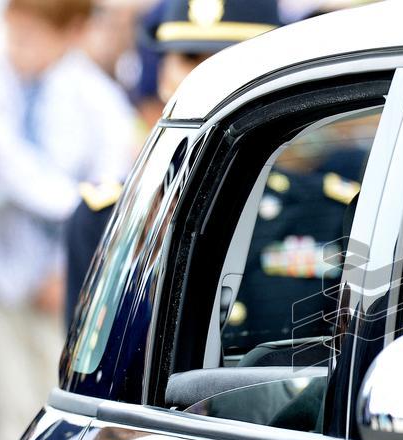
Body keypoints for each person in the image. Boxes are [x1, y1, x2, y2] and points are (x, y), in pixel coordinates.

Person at [0, 0, 136, 440]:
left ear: (72, 32)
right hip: (5, 289)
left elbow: (101, 207)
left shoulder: (99, 103)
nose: (15, 50)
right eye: (11, 35)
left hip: (66, 295)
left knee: (54, 425)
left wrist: (67, 271)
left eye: (28, 39)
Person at [64, 0, 281, 326]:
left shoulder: (323, 211)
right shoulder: (107, 218)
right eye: (188, 57)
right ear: (163, 73)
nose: (205, 73)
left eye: (227, 56)